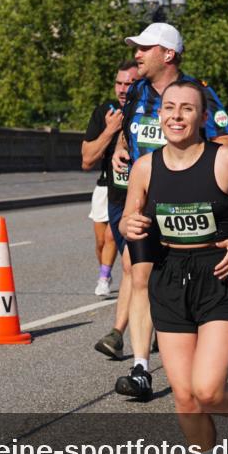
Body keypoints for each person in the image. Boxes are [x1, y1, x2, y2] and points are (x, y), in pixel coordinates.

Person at [121, 79, 228, 454]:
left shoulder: (225, 160)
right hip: (170, 276)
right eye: (168, 108)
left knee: (208, 390)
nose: (175, 116)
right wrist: (128, 226)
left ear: (202, 118)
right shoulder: (145, 168)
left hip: (220, 272)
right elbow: (131, 218)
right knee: (185, 395)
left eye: (186, 109)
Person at [109, 22, 228, 401]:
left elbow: (225, 142)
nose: (137, 54)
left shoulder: (201, 95)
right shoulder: (138, 93)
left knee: (185, 281)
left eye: (144, 48)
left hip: (189, 204)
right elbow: (127, 131)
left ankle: (204, 339)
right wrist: (118, 148)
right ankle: (142, 368)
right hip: (145, 202)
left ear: (168, 54)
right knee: (138, 274)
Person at [82, 60, 138, 299]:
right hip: (107, 185)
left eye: (130, 83)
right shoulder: (105, 111)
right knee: (100, 241)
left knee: (112, 237)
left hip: (135, 189)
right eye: (119, 83)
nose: (123, 89)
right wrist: (110, 130)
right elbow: (87, 161)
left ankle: (107, 278)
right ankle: (106, 271)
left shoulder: (148, 111)